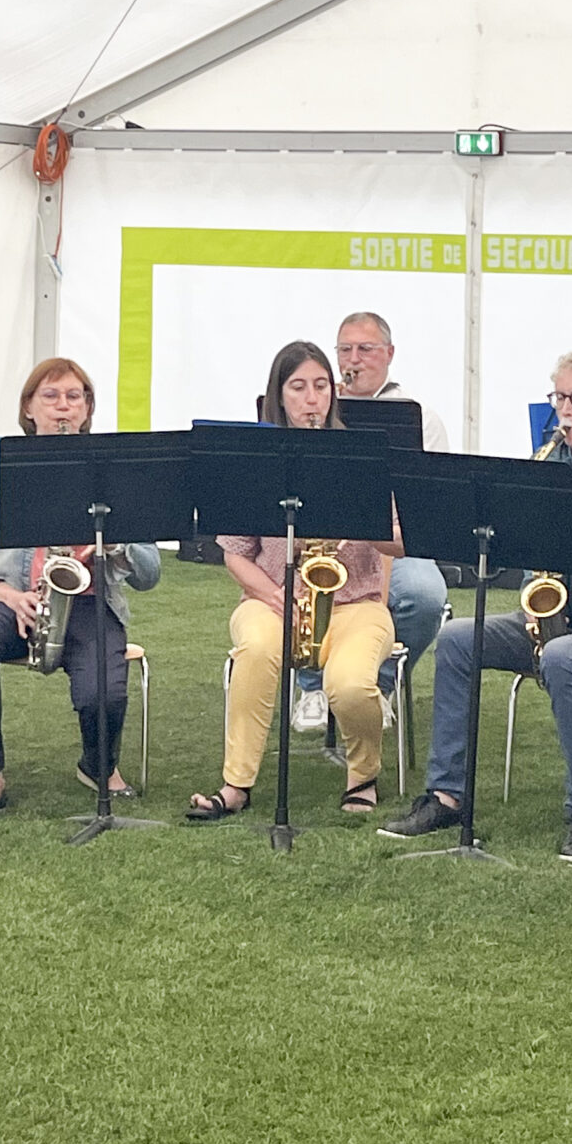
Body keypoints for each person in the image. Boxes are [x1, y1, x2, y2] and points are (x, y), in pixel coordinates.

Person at [378, 349, 572, 862]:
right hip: (554, 618)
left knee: (563, 656)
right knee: (457, 638)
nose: (566, 410)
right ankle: (446, 796)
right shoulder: (545, 462)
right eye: (559, 398)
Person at [0, 357, 160, 821]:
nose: (63, 407)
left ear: (87, 409)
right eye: (51, 396)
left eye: (74, 397)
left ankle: (97, 767)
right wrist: (2, 591)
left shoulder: (113, 475)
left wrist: (117, 543)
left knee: (102, 692)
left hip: (89, 602)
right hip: (16, 599)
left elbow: (150, 573)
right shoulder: (1, 476)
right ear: (29, 408)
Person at [189, 341, 402, 821]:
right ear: (279, 396)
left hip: (356, 605)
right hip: (271, 599)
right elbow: (235, 554)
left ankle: (362, 776)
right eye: (299, 387)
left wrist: (361, 521)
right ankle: (236, 784)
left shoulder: (363, 459)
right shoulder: (256, 463)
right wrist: (275, 595)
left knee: (351, 686)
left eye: (321, 386)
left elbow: (401, 543)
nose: (312, 399)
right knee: (256, 649)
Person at [334, 310, 449, 698]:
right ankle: (313, 685)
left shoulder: (420, 417)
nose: (353, 360)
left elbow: (432, 500)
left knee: (425, 595)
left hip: (396, 540)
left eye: (365, 349)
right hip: (330, 540)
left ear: (389, 353)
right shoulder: (319, 407)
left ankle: (380, 685)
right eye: (345, 350)